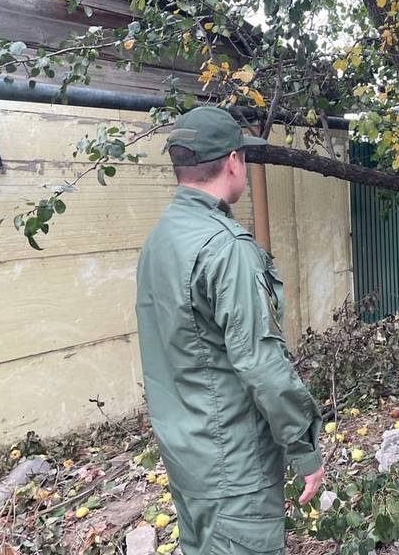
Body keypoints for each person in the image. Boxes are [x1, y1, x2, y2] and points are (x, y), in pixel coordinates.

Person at [135, 106, 325, 553]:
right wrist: (304, 448)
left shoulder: (161, 238)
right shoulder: (226, 249)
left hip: (187, 454)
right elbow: (259, 362)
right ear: (234, 161)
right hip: (234, 465)